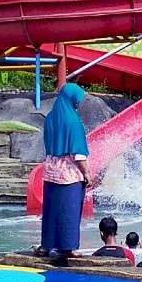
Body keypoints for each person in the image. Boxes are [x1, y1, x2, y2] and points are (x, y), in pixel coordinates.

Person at [37, 83, 91, 259]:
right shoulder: (73, 121)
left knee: (51, 211)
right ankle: (68, 247)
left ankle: (46, 245)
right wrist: (88, 174)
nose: (78, 103)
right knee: (69, 210)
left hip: (51, 170)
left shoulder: (50, 117)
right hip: (69, 174)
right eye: (77, 99)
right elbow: (78, 154)